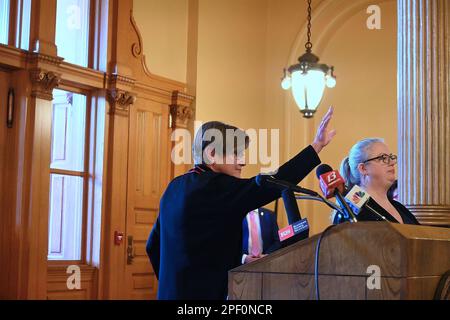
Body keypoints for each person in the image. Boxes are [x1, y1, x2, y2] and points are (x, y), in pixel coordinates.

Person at [146, 107, 336, 300]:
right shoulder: (217, 187)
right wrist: (316, 146)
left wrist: (172, 283)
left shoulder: (173, 188)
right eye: (235, 154)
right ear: (211, 154)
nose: (242, 161)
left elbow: (152, 245)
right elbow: (275, 181)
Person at [334, 138, 419, 225]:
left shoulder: (400, 208)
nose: (392, 162)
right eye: (383, 158)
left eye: (391, 157)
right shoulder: (351, 209)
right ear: (363, 169)